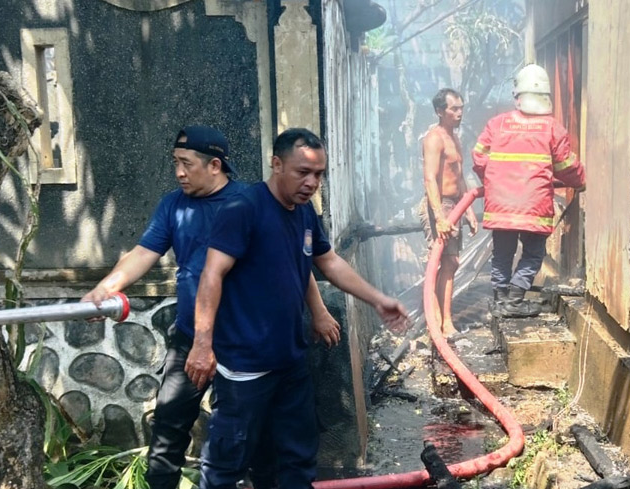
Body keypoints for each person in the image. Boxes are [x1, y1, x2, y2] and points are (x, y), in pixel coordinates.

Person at [81, 125, 340, 489]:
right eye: (176, 163)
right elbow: (143, 254)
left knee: (261, 443)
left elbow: (294, 262)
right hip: (192, 338)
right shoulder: (173, 205)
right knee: (169, 428)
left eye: (186, 164)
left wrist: (319, 310)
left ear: (215, 165)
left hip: (246, 345)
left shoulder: (250, 202)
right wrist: (103, 289)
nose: (179, 173)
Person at [185, 128, 407, 489]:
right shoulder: (244, 208)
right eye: (302, 172)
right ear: (276, 164)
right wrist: (202, 343)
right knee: (227, 466)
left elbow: (327, 262)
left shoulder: (303, 214)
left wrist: (377, 299)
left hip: (289, 361)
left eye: (318, 174)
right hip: (245, 369)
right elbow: (212, 274)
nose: (311, 182)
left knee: (297, 459)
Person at [472, 64, 586, 318]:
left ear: (517, 96)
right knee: (534, 253)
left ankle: (500, 299)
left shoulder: (496, 124)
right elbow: (566, 166)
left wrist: (491, 182)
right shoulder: (552, 128)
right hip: (534, 205)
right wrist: (580, 182)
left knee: (502, 252)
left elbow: (479, 159)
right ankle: (514, 300)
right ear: (546, 97)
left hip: (500, 205)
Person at [419, 88, 478, 337]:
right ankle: (440, 323)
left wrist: (469, 210)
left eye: (461, 108)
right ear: (440, 111)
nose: (459, 113)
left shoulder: (455, 137)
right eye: (454, 108)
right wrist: (440, 217)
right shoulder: (434, 138)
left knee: (450, 263)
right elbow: (430, 179)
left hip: (455, 205)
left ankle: (444, 321)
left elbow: (460, 177)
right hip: (440, 205)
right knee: (442, 262)